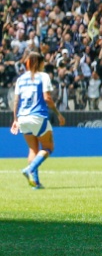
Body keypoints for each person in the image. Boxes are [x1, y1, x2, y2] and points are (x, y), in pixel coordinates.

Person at [10, 51, 66, 188]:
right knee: (48, 147)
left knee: (32, 149)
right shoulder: (43, 76)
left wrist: (15, 119)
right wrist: (58, 114)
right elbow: (47, 98)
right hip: (37, 116)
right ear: (40, 63)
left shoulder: (21, 79)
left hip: (23, 117)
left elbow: (16, 101)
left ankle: (36, 183)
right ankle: (30, 169)